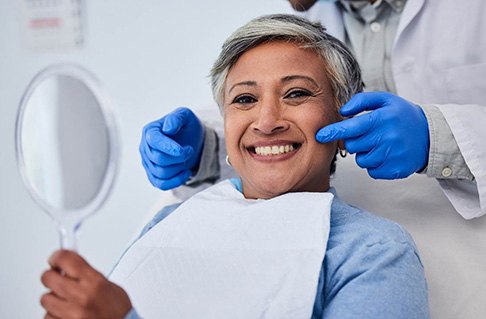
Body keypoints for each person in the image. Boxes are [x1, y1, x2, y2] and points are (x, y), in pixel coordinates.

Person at [40, 15, 429, 319]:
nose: (266, 121)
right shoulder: (169, 223)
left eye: (296, 93)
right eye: (244, 99)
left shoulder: (371, 252)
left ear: (342, 121)